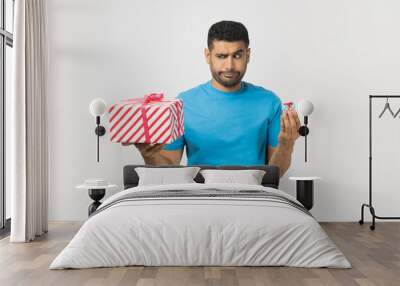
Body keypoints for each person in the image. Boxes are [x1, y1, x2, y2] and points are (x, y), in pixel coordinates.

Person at [128, 20, 300, 177]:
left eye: (237, 55)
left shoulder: (269, 102)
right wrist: (148, 154)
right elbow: (169, 168)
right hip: (199, 198)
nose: (230, 66)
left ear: (248, 55)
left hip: (254, 198)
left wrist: (286, 144)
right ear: (208, 56)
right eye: (221, 56)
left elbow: (275, 174)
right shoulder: (182, 104)